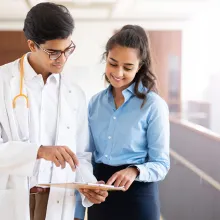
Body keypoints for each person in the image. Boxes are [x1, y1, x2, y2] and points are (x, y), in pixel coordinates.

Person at [0, 2, 107, 220]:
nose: (63, 59)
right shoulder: (2, 82)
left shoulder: (74, 93)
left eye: (68, 50)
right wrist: (38, 151)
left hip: (57, 201)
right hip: (13, 199)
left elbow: (81, 155)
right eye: (54, 52)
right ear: (32, 45)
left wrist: (88, 184)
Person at [80, 25, 170, 220]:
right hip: (101, 195)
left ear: (140, 67)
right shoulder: (95, 103)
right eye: (113, 63)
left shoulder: (153, 105)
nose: (118, 72)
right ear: (106, 58)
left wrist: (134, 170)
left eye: (128, 67)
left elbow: (161, 164)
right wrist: (86, 189)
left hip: (138, 196)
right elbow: (87, 156)